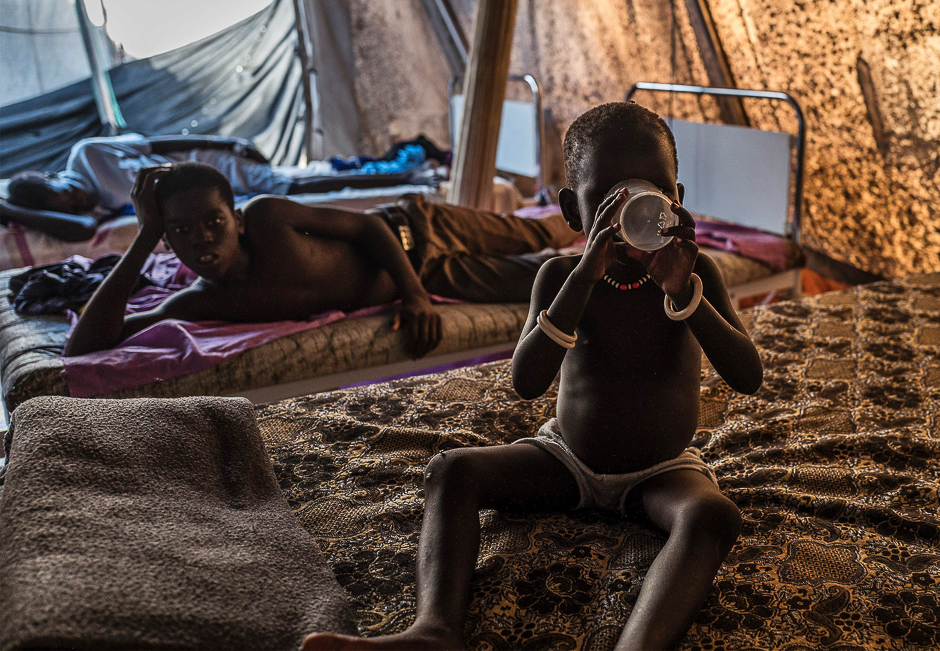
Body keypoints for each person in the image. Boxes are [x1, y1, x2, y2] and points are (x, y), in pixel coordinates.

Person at [302, 101, 764, 651]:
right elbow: (526, 381)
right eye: (608, 200)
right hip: (568, 460)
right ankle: (435, 629)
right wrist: (585, 278)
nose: (628, 214)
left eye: (649, 193)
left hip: (661, 473)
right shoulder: (559, 276)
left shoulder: (697, 273)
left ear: (676, 200)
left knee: (712, 515)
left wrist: (685, 296)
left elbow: (747, 375)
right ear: (573, 209)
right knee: (451, 471)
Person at [63, 162, 577, 359]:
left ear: (236, 218)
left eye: (213, 222)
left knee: (537, 230)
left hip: (417, 227)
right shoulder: (200, 301)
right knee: (552, 280)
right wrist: (146, 232)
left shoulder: (266, 219)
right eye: (179, 231)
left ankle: (587, 205)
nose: (201, 241)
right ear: (166, 239)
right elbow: (86, 346)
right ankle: (601, 250)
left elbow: (367, 226)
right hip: (431, 272)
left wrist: (415, 297)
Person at [0, 133, 444, 241]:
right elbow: (77, 229)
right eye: (66, 201)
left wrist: (223, 142)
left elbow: (158, 142)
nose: (77, 196)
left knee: (297, 187)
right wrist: (11, 212)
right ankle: (406, 171)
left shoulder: (88, 154)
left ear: (54, 174)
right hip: (214, 193)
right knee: (294, 185)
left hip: (214, 165)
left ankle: (411, 176)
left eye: (66, 190)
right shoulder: (95, 211)